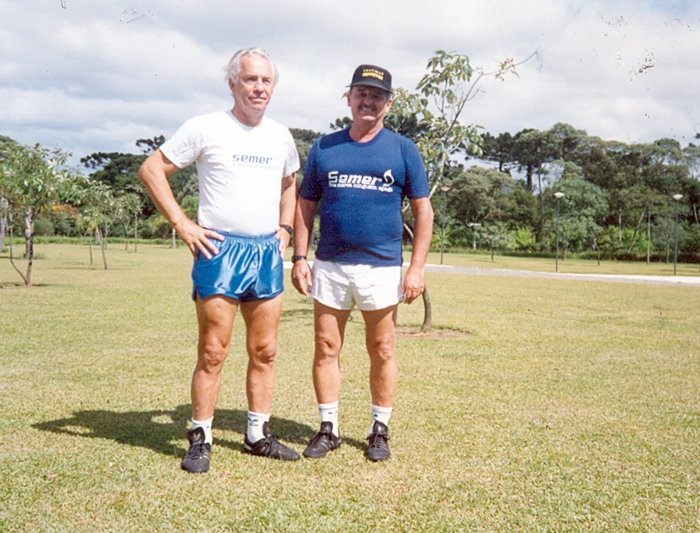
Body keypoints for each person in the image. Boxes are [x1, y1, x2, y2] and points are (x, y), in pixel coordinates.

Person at [139, 47, 301, 473]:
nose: (259, 87)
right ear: (233, 84)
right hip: (219, 251)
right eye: (250, 79)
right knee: (213, 351)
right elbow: (152, 169)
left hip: (264, 253)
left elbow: (290, 182)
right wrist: (183, 223)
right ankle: (201, 437)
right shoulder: (205, 127)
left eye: (266, 81)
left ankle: (257, 434)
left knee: (265, 350)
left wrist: (285, 228)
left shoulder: (280, 135)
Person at [291, 64, 434, 461]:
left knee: (383, 348)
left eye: (376, 96)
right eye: (361, 93)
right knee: (325, 346)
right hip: (331, 265)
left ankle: (379, 430)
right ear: (349, 98)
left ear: (388, 103)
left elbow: (424, 212)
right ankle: (328, 428)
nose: (367, 101)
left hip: (382, 267)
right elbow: (305, 206)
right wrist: (300, 257)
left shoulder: (403, 149)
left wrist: (416, 268)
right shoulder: (325, 147)